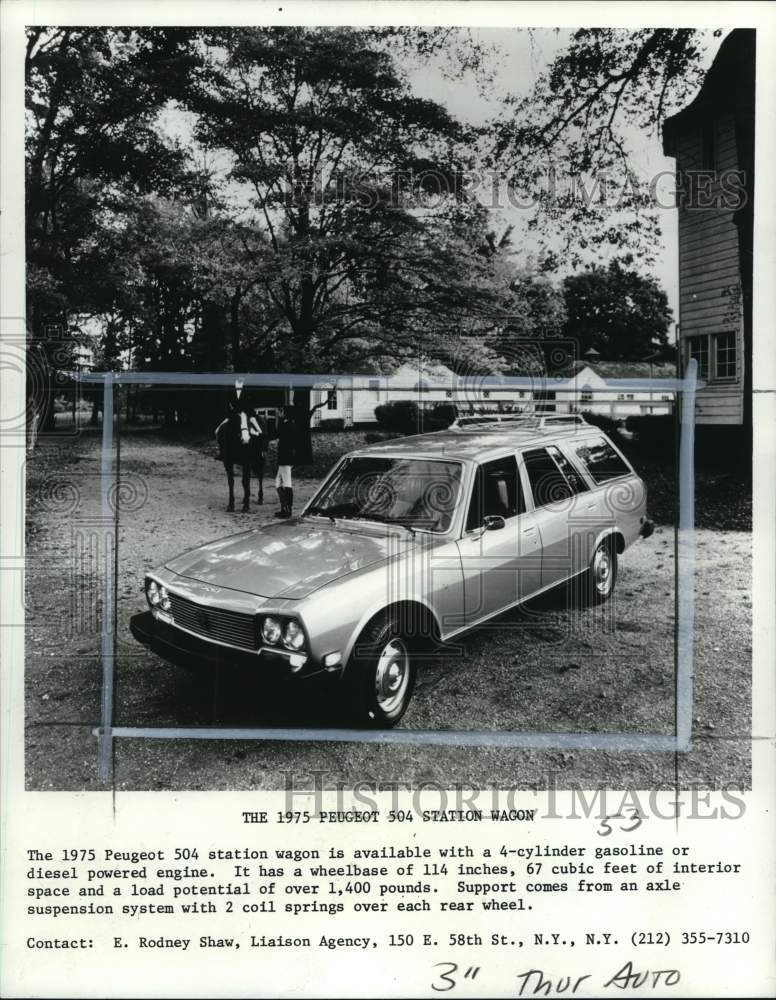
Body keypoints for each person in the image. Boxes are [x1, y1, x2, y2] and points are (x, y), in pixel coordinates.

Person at [273, 406, 296, 518]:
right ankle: (285, 508)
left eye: (281, 411)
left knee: (286, 483)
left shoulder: (289, 425)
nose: (279, 413)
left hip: (286, 459)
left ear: (286, 413)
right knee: (278, 482)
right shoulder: (286, 423)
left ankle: (287, 510)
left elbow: (288, 442)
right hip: (284, 459)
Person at [248, 407, 268, 504]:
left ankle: (261, 494)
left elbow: (264, 435)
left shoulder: (258, 420)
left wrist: (264, 449)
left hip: (258, 447)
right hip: (248, 447)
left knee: (260, 471)